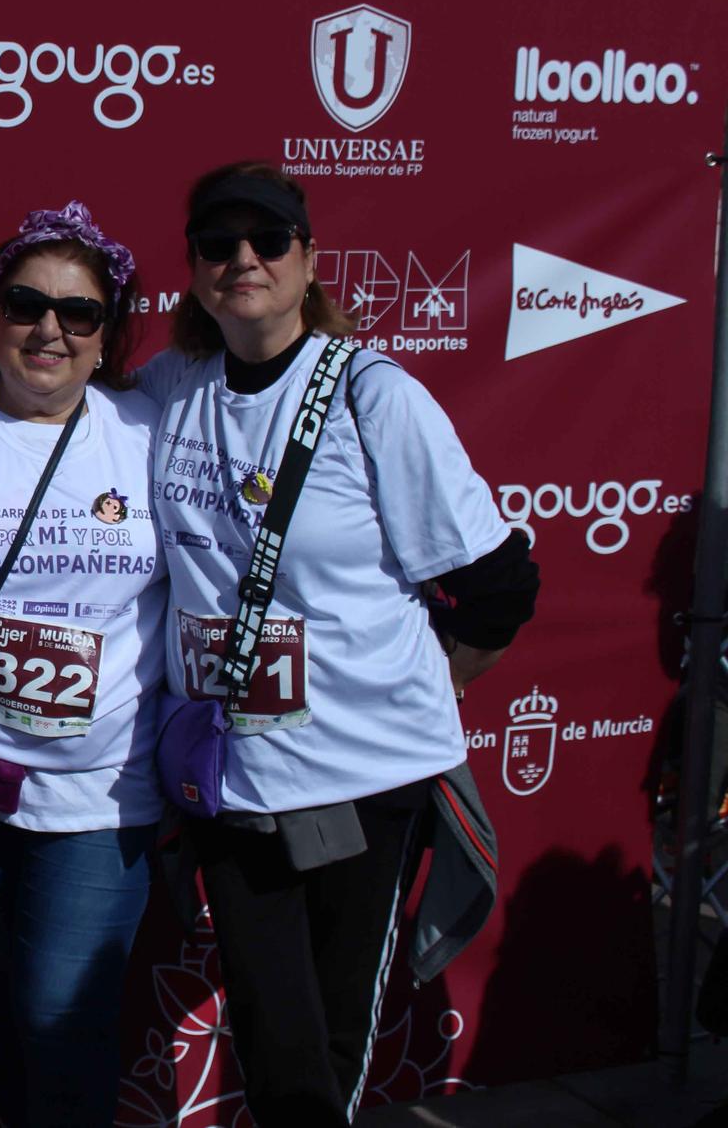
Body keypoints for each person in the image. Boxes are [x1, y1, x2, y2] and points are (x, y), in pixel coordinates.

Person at [145, 161, 537, 1126]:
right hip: (230, 772)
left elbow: (499, 586)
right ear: (193, 269)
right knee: (279, 1038)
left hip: (362, 780)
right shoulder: (168, 389)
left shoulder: (374, 393)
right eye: (218, 244)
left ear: (308, 260)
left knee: (322, 1052)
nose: (244, 260)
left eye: (268, 240)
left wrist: (415, 684)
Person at [0, 204, 167, 1128]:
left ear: (107, 333)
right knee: (14, 1021)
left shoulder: (149, 431)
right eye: (26, 303)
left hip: (104, 796)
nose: (50, 328)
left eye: (79, 312)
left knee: (62, 1026)